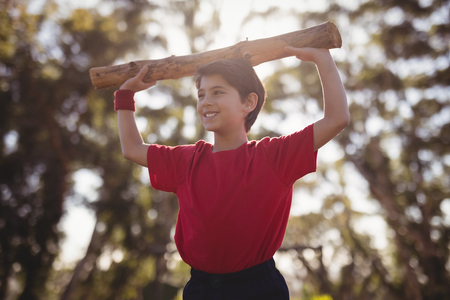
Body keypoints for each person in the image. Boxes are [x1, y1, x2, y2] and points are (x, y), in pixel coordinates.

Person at [114, 46, 349, 299]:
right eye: (201, 94)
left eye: (218, 92)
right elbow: (133, 149)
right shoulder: (186, 160)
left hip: (259, 288)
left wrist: (321, 58)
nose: (206, 102)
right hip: (200, 289)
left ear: (248, 102)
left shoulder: (273, 156)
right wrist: (125, 95)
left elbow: (337, 118)